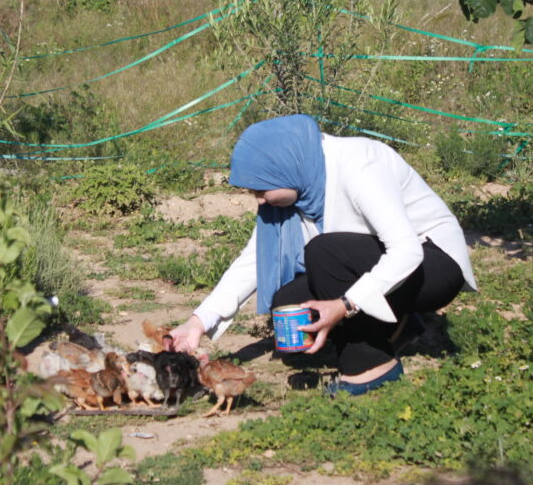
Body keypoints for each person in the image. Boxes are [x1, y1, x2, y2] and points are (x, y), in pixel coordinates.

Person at [169, 114, 477, 395]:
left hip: (432, 263)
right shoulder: (297, 185)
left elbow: (406, 251)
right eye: (253, 193)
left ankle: (370, 364)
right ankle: (399, 323)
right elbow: (252, 262)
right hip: (375, 262)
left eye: (261, 191)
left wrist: (344, 306)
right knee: (288, 306)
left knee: (324, 251)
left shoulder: (360, 165)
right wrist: (198, 322)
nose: (259, 201)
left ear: (284, 168)